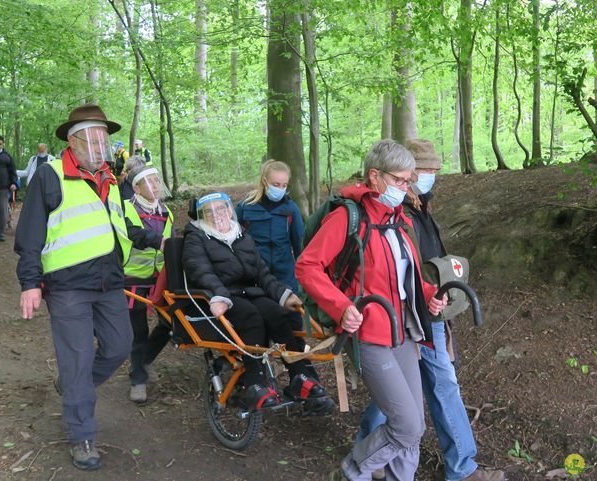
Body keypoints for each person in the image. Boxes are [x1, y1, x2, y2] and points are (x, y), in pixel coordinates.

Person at [15, 104, 166, 471]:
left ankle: (72, 385)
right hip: (67, 286)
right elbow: (30, 234)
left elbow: (117, 227)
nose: (101, 143)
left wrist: (153, 239)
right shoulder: (50, 176)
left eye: (104, 136)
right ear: (74, 140)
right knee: (78, 359)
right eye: (93, 136)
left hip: (110, 282)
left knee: (118, 346)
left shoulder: (112, 179)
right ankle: (82, 435)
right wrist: (30, 282)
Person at [295, 139, 448, 481]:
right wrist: (341, 306)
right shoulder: (348, 218)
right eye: (400, 180)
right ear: (374, 177)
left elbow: (406, 277)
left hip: (404, 332)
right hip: (368, 333)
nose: (406, 188)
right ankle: (351, 471)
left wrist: (430, 294)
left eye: (409, 181)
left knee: (414, 427)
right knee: (406, 427)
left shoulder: (399, 220)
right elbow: (307, 266)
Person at [355, 139, 505, 481]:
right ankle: (461, 468)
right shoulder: (395, 211)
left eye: (434, 171)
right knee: (438, 385)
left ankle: (372, 455)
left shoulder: (421, 205)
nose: (430, 177)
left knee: (401, 392)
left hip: (428, 309)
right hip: (409, 315)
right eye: (424, 171)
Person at [182, 192, 333, 412]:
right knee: (252, 317)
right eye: (209, 211)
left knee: (278, 314)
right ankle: (255, 384)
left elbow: (262, 272)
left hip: (250, 291)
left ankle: (301, 377)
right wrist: (219, 295)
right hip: (222, 295)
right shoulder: (196, 236)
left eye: (221, 209)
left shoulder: (240, 233)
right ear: (201, 215)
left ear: (229, 209)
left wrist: (283, 295)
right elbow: (200, 271)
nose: (217, 215)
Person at [124, 164, 174, 403]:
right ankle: (137, 379)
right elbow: (134, 234)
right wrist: (160, 241)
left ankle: (144, 360)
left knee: (171, 322)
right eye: (149, 181)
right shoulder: (125, 208)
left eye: (157, 181)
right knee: (138, 331)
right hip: (132, 278)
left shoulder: (167, 212)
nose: (155, 186)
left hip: (161, 279)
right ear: (136, 187)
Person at [235, 159, 304, 292]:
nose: (280, 189)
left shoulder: (291, 208)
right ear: (264, 181)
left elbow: (299, 243)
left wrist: (303, 273)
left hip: (285, 274)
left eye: (284, 185)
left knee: (290, 311)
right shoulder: (246, 206)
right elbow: (233, 237)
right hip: (254, 272)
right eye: (276, 184)